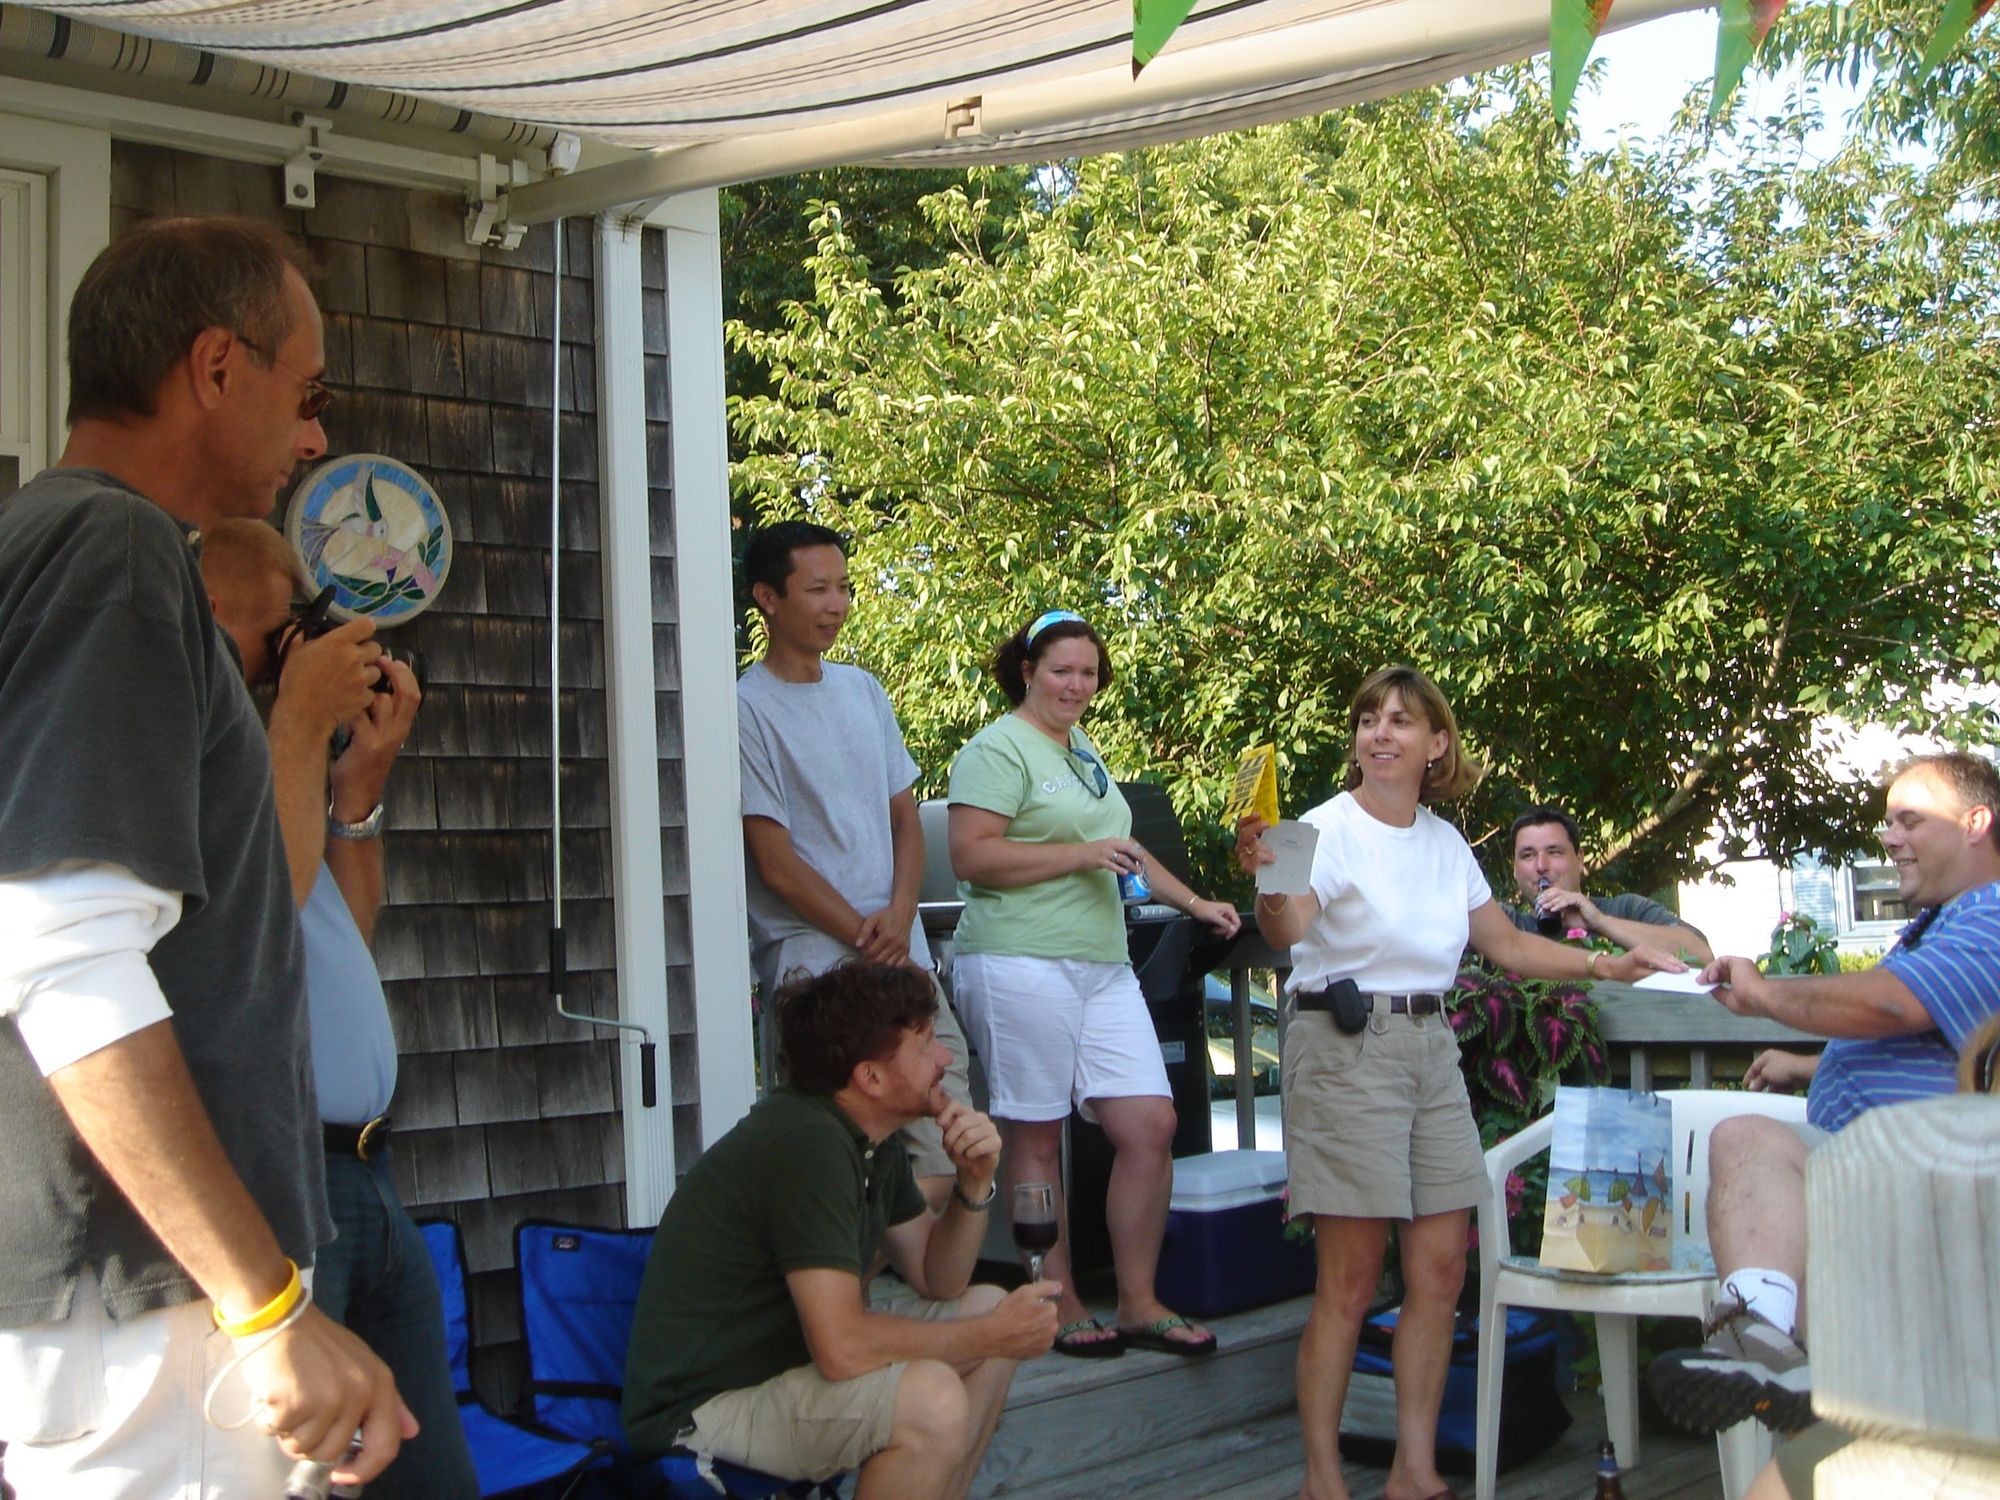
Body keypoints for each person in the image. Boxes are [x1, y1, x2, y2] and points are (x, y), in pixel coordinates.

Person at [0, 215, 409, 1497]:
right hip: (149, 1297)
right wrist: (262, 1302)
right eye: (308, 393)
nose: (316, 440)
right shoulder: (111, 547)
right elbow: (64, 956)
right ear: (217, 365)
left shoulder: (46, 542)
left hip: (131, 1291)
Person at [1234, 665, 1681, 1500]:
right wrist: (1268, 879)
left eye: (1401, 720)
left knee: (1440, 1275)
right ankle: (1322, 1480)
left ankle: (1414, 1472)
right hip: (1345, 1049)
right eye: (1369, 719)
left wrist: (1603, 963)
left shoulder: (1444, 843)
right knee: (1351, 1281)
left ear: (1437, 743)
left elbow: (1506, 946)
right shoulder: (1321, 830)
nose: (1380, 733)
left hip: (1431, 1047)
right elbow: (1287, 928)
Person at [201, 519, 478, 1498]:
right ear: (215, 615)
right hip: (281, 1173)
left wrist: (359, 786)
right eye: (287, 627)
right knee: (304, 1481)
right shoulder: (192, 756)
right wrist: (298, 724)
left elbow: (342, 931)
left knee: (427, 1477)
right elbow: (257, 917)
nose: (302, 651)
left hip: (368, 1169)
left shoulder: (269, 763)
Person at [1647, 750, 2000, 1439]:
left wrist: (1765, 995)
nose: (1889, 838)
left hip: (1930, 1187)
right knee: (1756, 1155)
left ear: (1976, 823)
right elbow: (1940, 1042)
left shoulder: (1990, 915)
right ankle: (1775, 1358)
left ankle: (1775, 1356)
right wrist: (1812, 1066)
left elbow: (1893, 1006)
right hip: (1884, 1171)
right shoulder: (1949, 922)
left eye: (1910, 821)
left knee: (1748, 1139)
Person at [622, 962, 1057, 1500]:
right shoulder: (809, 1146)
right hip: (702, 1410)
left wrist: (974, 1182)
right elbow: (841, 1347)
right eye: (924, 1045)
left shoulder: (868, 1138)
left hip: (782, 1375)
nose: (945, 1059)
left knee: (988, 1305)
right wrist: (987, 1337)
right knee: (932, 1399)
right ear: (870, 1077)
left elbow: (937, 1278)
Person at [947, 609, 1242, 1358]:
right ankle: (1058, 1301)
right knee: (1037, 1135)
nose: (1076, 685)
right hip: (1018, 959)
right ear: (1028, 671)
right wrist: (1080, 855)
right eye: (1061, 671)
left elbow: (1125, 848)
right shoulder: (996, 748)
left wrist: (1196, 902)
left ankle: (1139, 1302)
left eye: (1088, 673)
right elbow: (972, 857)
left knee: (1151, 1125)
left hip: (1102, 965)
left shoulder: (1083, 749)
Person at [737, 520, 973, 1212]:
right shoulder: (745, 709)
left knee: (947, 1133)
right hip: (818, 970)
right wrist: (871, 935)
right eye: (818, 589)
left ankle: (926, 1272)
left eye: (843, 587)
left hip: (904, 959)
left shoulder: (863, 689)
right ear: (768, 598)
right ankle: (851, 1281)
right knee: (840, 1161)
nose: (836, 604)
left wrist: (900, 915)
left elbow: (906, 818)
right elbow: (776, 863)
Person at [1506, 804, 1714, 962]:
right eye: (1528, 855)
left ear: (1580, 859)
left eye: (1554, 852)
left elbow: (1701, 955)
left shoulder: (1626, 909)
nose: (1541, 866)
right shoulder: (1508, 924)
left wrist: (1600, 921)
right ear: (1514, 868)